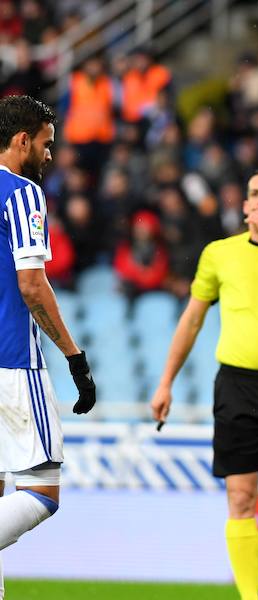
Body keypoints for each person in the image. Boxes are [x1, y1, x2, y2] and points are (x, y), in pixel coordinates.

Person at [149, 167, 258, 600]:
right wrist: (166, 381)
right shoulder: (220, 254)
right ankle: (252, 597)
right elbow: (192, 320)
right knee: (242, 499)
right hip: (236, 385)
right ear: (245, 205)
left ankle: (257, 584)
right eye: (255, 194)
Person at [0, 95, 96, 598]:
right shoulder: (21, 194)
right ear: (22, 141)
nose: (50, 156)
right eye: (46, 144)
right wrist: (75, 359)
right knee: (41, 493)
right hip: (12, 360)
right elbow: (32, 285)